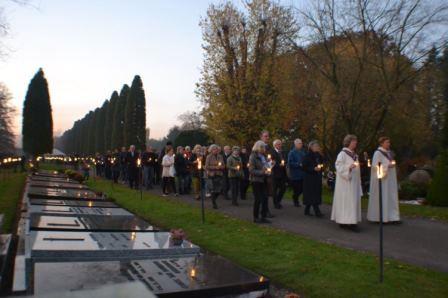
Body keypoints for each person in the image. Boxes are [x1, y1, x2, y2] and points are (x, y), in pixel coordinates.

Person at [331, 135, 363, 232]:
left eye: (356, 141)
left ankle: (350, 221)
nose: (356, 143)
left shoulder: (355, 155)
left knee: (352, 201)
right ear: (348, 142)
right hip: (345, 183)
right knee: (347, 202)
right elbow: (338, 166)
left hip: (354, 182)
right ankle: (347, 222)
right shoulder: (342, 154)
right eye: (354, 141)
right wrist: (349, 167)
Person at [367, 137, 401, 223]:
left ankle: (392, 217)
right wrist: (387, 166)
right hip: (382, 180)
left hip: (390, 181)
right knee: (382, 197)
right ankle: (379, 217)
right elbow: (375, 166)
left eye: (389, 142)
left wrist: (392, 164)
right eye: (387, 142)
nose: (388, 144)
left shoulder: (389, 153)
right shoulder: (377, 153)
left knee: (391, 197)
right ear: (381, 143)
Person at [249, 140, 271, 223]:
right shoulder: (253, 156)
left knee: (265, 198)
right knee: (258, 199)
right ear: (259, 147)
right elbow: (251, 170)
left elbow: (265, 166)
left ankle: (263, 217)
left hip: (264, 179)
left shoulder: (263, 156)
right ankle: (256, 217)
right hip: (256, 180)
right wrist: (262, 172)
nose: (264, 149)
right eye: (263, 147)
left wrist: (269, 167)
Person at [302, 140, 324, 217]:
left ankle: (307, 210)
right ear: (311, 147)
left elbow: (321, 164)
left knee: (314, 194)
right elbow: (304, 167)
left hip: (317, 177)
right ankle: (317, 211)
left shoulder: (319, 155)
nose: (317, 147)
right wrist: (313, 169)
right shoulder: (307, 156)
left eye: (318, 146)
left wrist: (321, 167)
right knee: (312, 194)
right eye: (316, 146)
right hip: (309, 178)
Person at [287, 139, 306, 207]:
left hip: (302, 174)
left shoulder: (302, 152)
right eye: (299, 143)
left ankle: (297, 199)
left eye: (301, 143)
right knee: (297, 189)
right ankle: (295, 200)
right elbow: (290, 163)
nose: (301, 144)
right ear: (296, 144)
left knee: (302, 189)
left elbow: (305, 160)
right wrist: (298, 164)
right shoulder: (291, 153)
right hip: (295, 174)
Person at [205, 144, 224, 209]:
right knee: (214, 189)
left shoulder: (220, 156)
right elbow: (206, 166)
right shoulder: (208, 157)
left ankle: (214, 199)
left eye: (216, 149)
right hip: (212, 174)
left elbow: (223, 165)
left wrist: (221, 167)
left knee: (219, 189)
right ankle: (214, 203)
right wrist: (215, 167)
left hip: (219, 174)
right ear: (211, 150)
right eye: (214, 149)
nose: (216, 150)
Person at [271, 139, 287, 209]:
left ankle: (278, 200)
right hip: (275, 173)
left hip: (282, 173)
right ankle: (276, 203)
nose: (280, 145)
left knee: (283, 188)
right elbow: (271, 162)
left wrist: (284, 163)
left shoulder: (283, 152)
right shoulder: (272, 152)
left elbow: (285, 160)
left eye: (280, 144)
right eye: (278, 144)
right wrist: (278, 165)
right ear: (275, 145)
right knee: (274, 189)